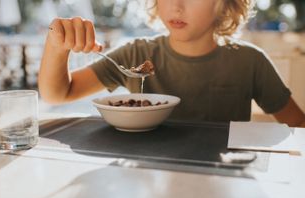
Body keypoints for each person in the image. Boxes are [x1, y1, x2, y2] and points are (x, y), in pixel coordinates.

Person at [39, 0, 305, 127]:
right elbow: (59, 93)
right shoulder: (136, 55)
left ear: (225, 5)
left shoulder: (250, 62)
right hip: (149, 176)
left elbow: (298, 126)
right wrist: (56, 46)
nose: (176, 6)